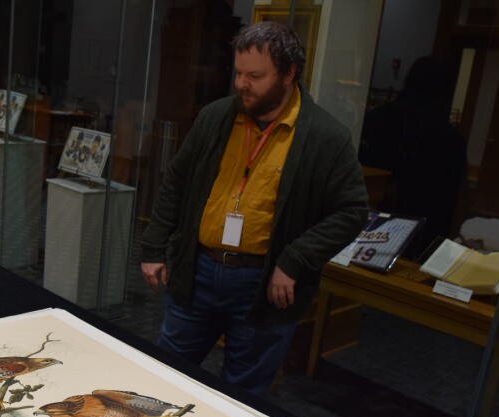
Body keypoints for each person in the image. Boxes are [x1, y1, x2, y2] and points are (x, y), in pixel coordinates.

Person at [140, 21, 369, 396]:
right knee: (164, 377)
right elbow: (176, 184)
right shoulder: (216, 117)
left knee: (243, 396)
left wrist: (295, 260)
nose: (242, 84)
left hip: (261, 287)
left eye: (255, 76)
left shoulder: (325, 137)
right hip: (197, 270)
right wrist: (153, 247)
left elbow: (351, 211)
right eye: (239, 73)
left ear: (289, 74)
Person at [359, 56, 467, 258]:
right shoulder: (445, 135)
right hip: (419, 237)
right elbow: (450, 204)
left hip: (365, 226)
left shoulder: (375, 119)